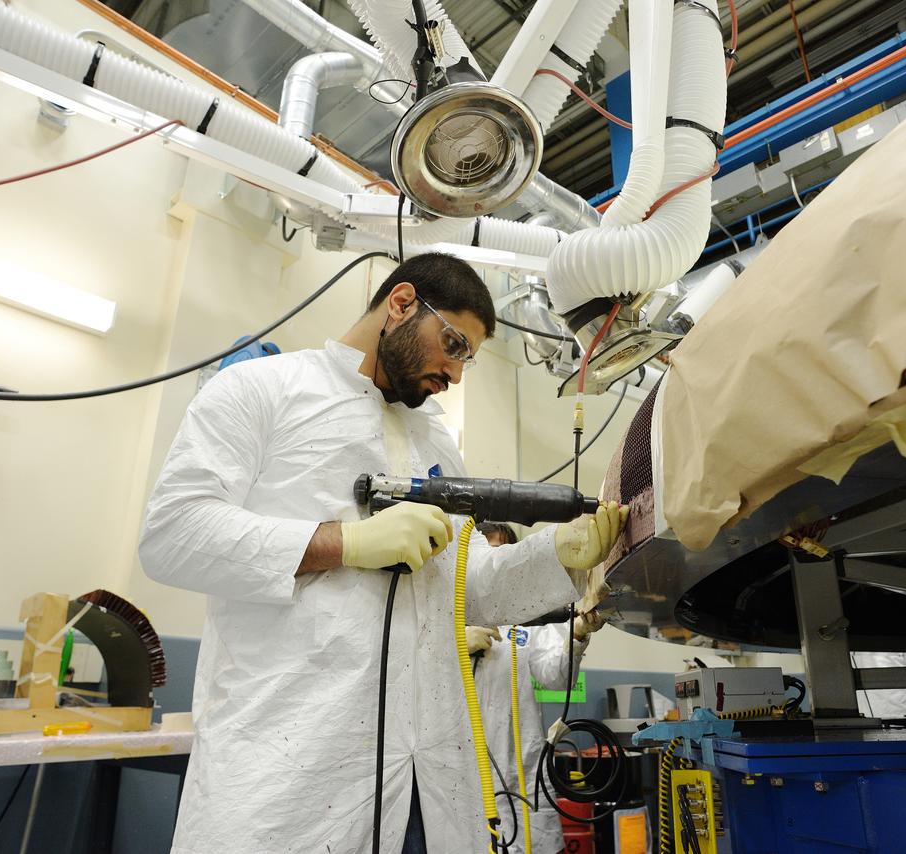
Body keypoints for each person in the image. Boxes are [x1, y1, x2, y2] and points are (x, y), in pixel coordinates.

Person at [138, 253, 627, 854]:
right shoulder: (263, 389)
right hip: (291, 782)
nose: (455, 373)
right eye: (453, 344)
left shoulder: (436, 443)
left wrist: (562, 556)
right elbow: (174, 533)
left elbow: (469, 587)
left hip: (429, 788)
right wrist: (344, 543)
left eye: (467, 357)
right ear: (400, 304)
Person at [468, 522, 605, 854]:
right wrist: (454, 643)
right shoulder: (448, 614)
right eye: (488, 554)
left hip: (523, 773)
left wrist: (577, 634)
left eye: (503, 554)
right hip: (467, 775)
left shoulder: (525, 622)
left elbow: (554, 676)